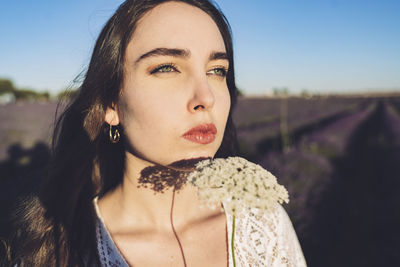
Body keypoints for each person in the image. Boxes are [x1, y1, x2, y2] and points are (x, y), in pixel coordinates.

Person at [7, 0, 306, 266]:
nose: (207, 97)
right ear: (112, 104)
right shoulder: (64, 250)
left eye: (217, 70)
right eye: (166, 67)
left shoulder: (266, 227)